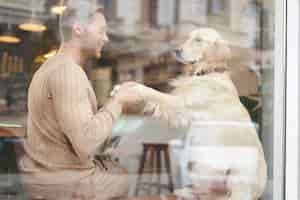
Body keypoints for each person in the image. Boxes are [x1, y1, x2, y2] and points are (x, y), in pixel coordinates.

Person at [19, 1, 143, 199]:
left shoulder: (49, 68)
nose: (106, 38)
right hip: (68, 186)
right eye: (101, 31)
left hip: (45, 181)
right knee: (124, 177)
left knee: (117, 171)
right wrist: (118, 101)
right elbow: (86, 142)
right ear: (78, 28)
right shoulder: (68, 72)